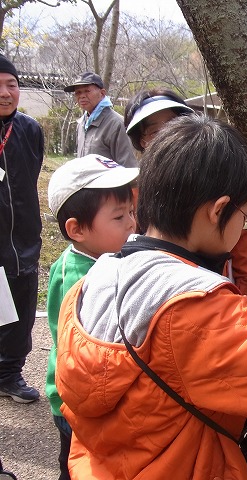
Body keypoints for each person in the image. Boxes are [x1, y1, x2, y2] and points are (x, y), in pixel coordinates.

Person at [55, 114, 247, 480]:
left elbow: (165, 349)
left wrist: (243, 311)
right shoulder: (195, 311)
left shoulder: (94, 279)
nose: (243, 227)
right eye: (244, 217)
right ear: (218, 210)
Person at [45, 155, 138, 480]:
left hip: (84, 395)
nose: (131, 223)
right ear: (77, 229)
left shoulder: (100, 258)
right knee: (79, 466)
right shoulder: (83, 278)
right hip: (78, 402)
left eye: (131, 212)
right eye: (118, 216)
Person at [124, 88, 247, 296]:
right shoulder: (132, 196)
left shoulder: (220, 186)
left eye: (174, 125)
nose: (168, 135)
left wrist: (239, 297)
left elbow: (241, 248)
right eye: (155, 132)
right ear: (142, 141)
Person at [0, 53, 44, 404]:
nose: (5, 93)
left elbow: (31, 176)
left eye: (11, 84)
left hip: (25, 241)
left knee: (21, 312)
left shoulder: (30, 129)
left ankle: (10, 374)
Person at [64, 72, 137, 168]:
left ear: (102, 93)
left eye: (87, 91)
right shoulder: (81, 123)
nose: (82, 96)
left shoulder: (116, 124)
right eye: (78, 92)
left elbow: (128, 166)